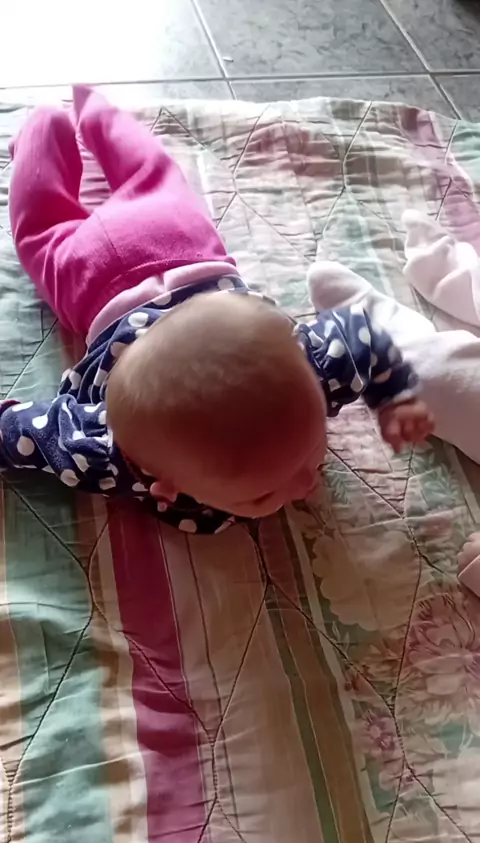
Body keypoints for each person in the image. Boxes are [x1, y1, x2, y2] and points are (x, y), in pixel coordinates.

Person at [1, 86, 433, 534]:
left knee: (62, 212)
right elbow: (24, 431)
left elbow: (360, 331)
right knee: (132, 183)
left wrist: (395, 394)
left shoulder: (315, 372)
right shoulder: (103, 451)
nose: (306, 484)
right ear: (164, 484)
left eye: (313, 447)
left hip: (167, 240)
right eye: (261, 494)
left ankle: (50, 124)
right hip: (115, 261)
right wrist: (393, 393)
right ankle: (87, 115)